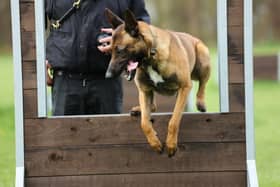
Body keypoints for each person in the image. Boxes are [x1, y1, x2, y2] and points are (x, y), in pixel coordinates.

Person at [45, 0, 150, 115]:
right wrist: (39, 64)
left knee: (109, 132)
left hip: (107, 82)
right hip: (64, 81)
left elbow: (144, 29)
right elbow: (31, 24)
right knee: (62, 132)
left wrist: (121, 40)